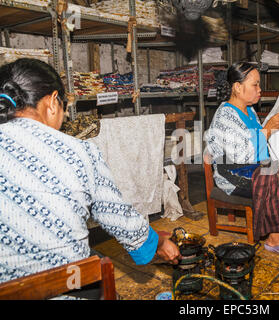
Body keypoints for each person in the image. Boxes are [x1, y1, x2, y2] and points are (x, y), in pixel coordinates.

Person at [0, 58, 181, 288]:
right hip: (66, 284)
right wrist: (158, 243)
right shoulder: (78, 151)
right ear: (53, 102)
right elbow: (118, 216)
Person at [205, 62, 279, 257]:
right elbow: (240, 157)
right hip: (233, 176)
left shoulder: (249, 111)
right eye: (255, 85)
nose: (260, 90)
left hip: (256, 169)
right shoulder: (225, 116)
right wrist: (267, 130)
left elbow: (257, 146)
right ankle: (275, 238)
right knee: (277, 179)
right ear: (237, 87)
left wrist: (268, 129)